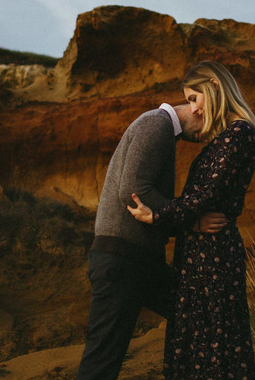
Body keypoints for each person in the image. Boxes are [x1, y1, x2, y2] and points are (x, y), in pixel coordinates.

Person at [128, 61, 255, 380]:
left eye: (193, 98)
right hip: (201, 254)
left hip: (213, 257)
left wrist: (156, 215)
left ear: (214, 86)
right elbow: (197, 206)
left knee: (215, 345)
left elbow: (204, 199)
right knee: (198, 343)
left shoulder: (240, 133)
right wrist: (188, 221)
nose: (193, 109)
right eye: (188, 101)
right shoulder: (226, 136)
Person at [76, 101, 229, 380]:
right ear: (199, 110)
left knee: (195, 316)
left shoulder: (162, 130)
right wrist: (191, 220)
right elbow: (133, 190)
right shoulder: (157, 124)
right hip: (122, 259)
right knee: (102, 360)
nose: (204, 138)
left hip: (141, 261)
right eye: (207, 129)